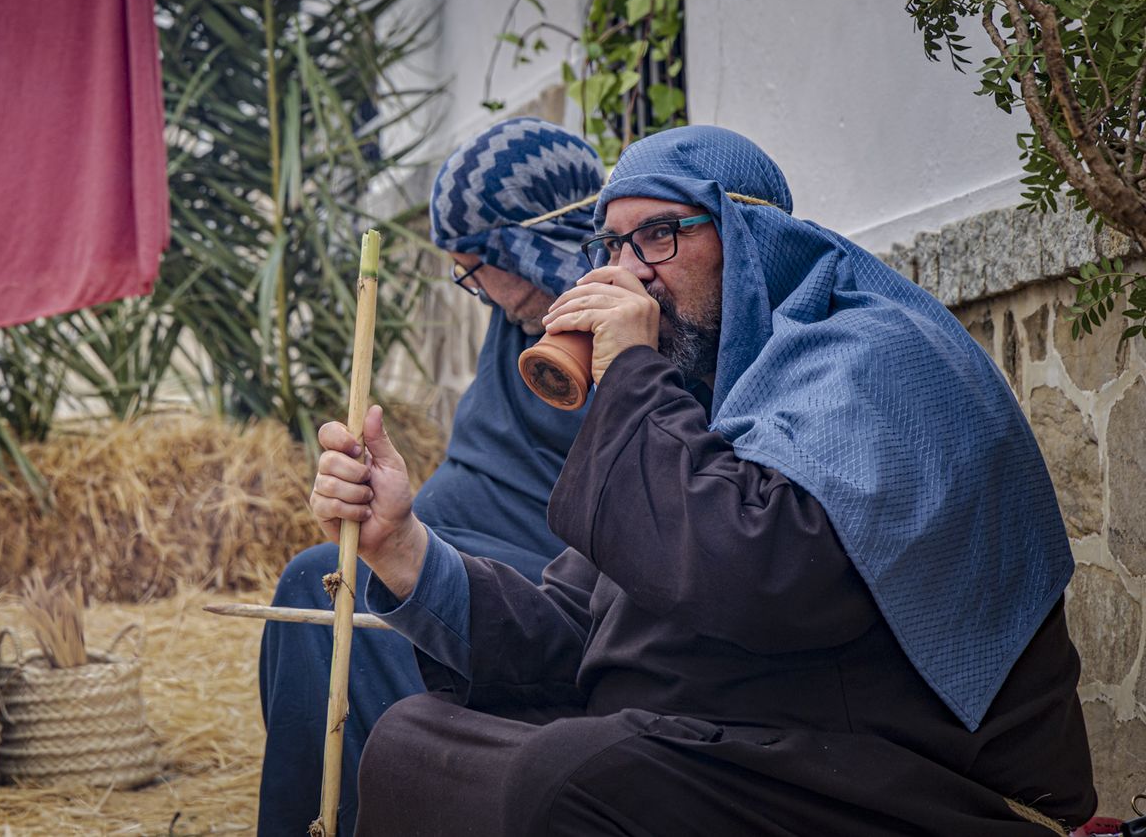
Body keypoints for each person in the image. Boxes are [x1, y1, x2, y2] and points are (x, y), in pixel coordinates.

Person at [309, 125, 1096, 835]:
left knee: (576, 774)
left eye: (658, 235)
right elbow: (577, 629)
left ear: (750, 235)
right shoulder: (709, 392)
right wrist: (402, 546)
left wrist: (629, 378)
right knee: (413, 742)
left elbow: (766, 579)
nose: (630, 272)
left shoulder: (872, 358)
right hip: (747, 745)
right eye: (613, 245)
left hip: (902, 779)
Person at [256, 118, 605, 836]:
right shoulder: (522, 314)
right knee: (317, 576)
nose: (476, 290)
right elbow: (485, 461)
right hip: (455, 538)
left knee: (357, 598)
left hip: (548, 581)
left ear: (528, 243)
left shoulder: (619, 332)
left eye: (479, 265)